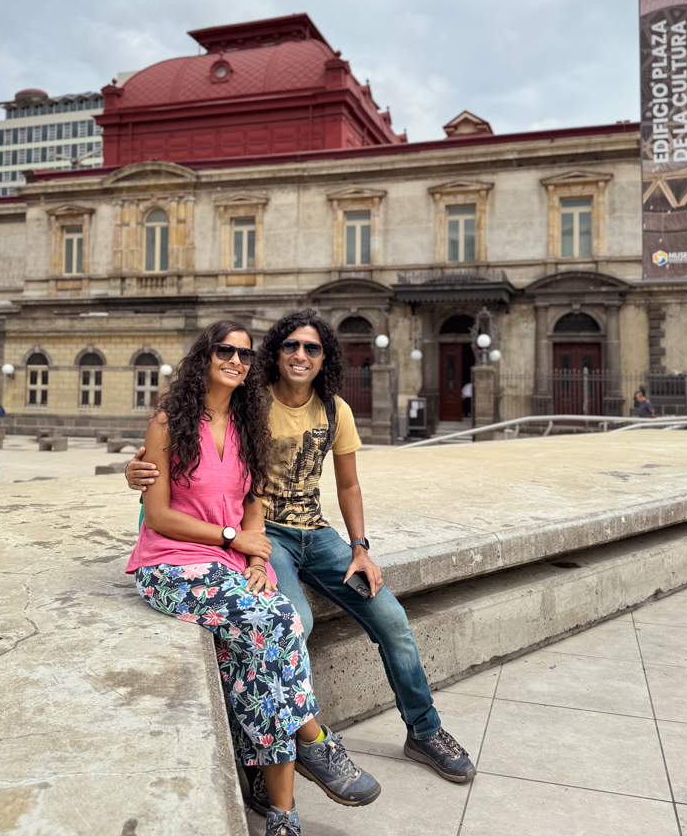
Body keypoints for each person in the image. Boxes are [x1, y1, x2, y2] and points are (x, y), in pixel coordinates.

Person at [127, 309, 475, 815]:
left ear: (324, 358)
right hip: (264, 535)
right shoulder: (251, 400)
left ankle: (424, 731)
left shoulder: (333, 410)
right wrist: (134, 469)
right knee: (296, 621)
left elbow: (349, 484)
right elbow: (175, 452)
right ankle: (290, 755)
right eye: (290, 345)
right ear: (276, 353)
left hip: (316, 535)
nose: (300, 355)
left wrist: (360, 546)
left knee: (393, 620)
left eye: (312, 349)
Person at [125, 319, 376, 836]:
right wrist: (231, 538)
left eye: (244, 354)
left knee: (257, 662)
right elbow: (159, 515)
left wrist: (259, 561)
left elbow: (253, 505)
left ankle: (280, 812)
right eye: (224, 351)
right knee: (281, 620)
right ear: (204, 357)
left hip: (228, 563)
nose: (235, 361)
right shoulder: (168, 422)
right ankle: (313, 739)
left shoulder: (248, 423)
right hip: (170, 563)